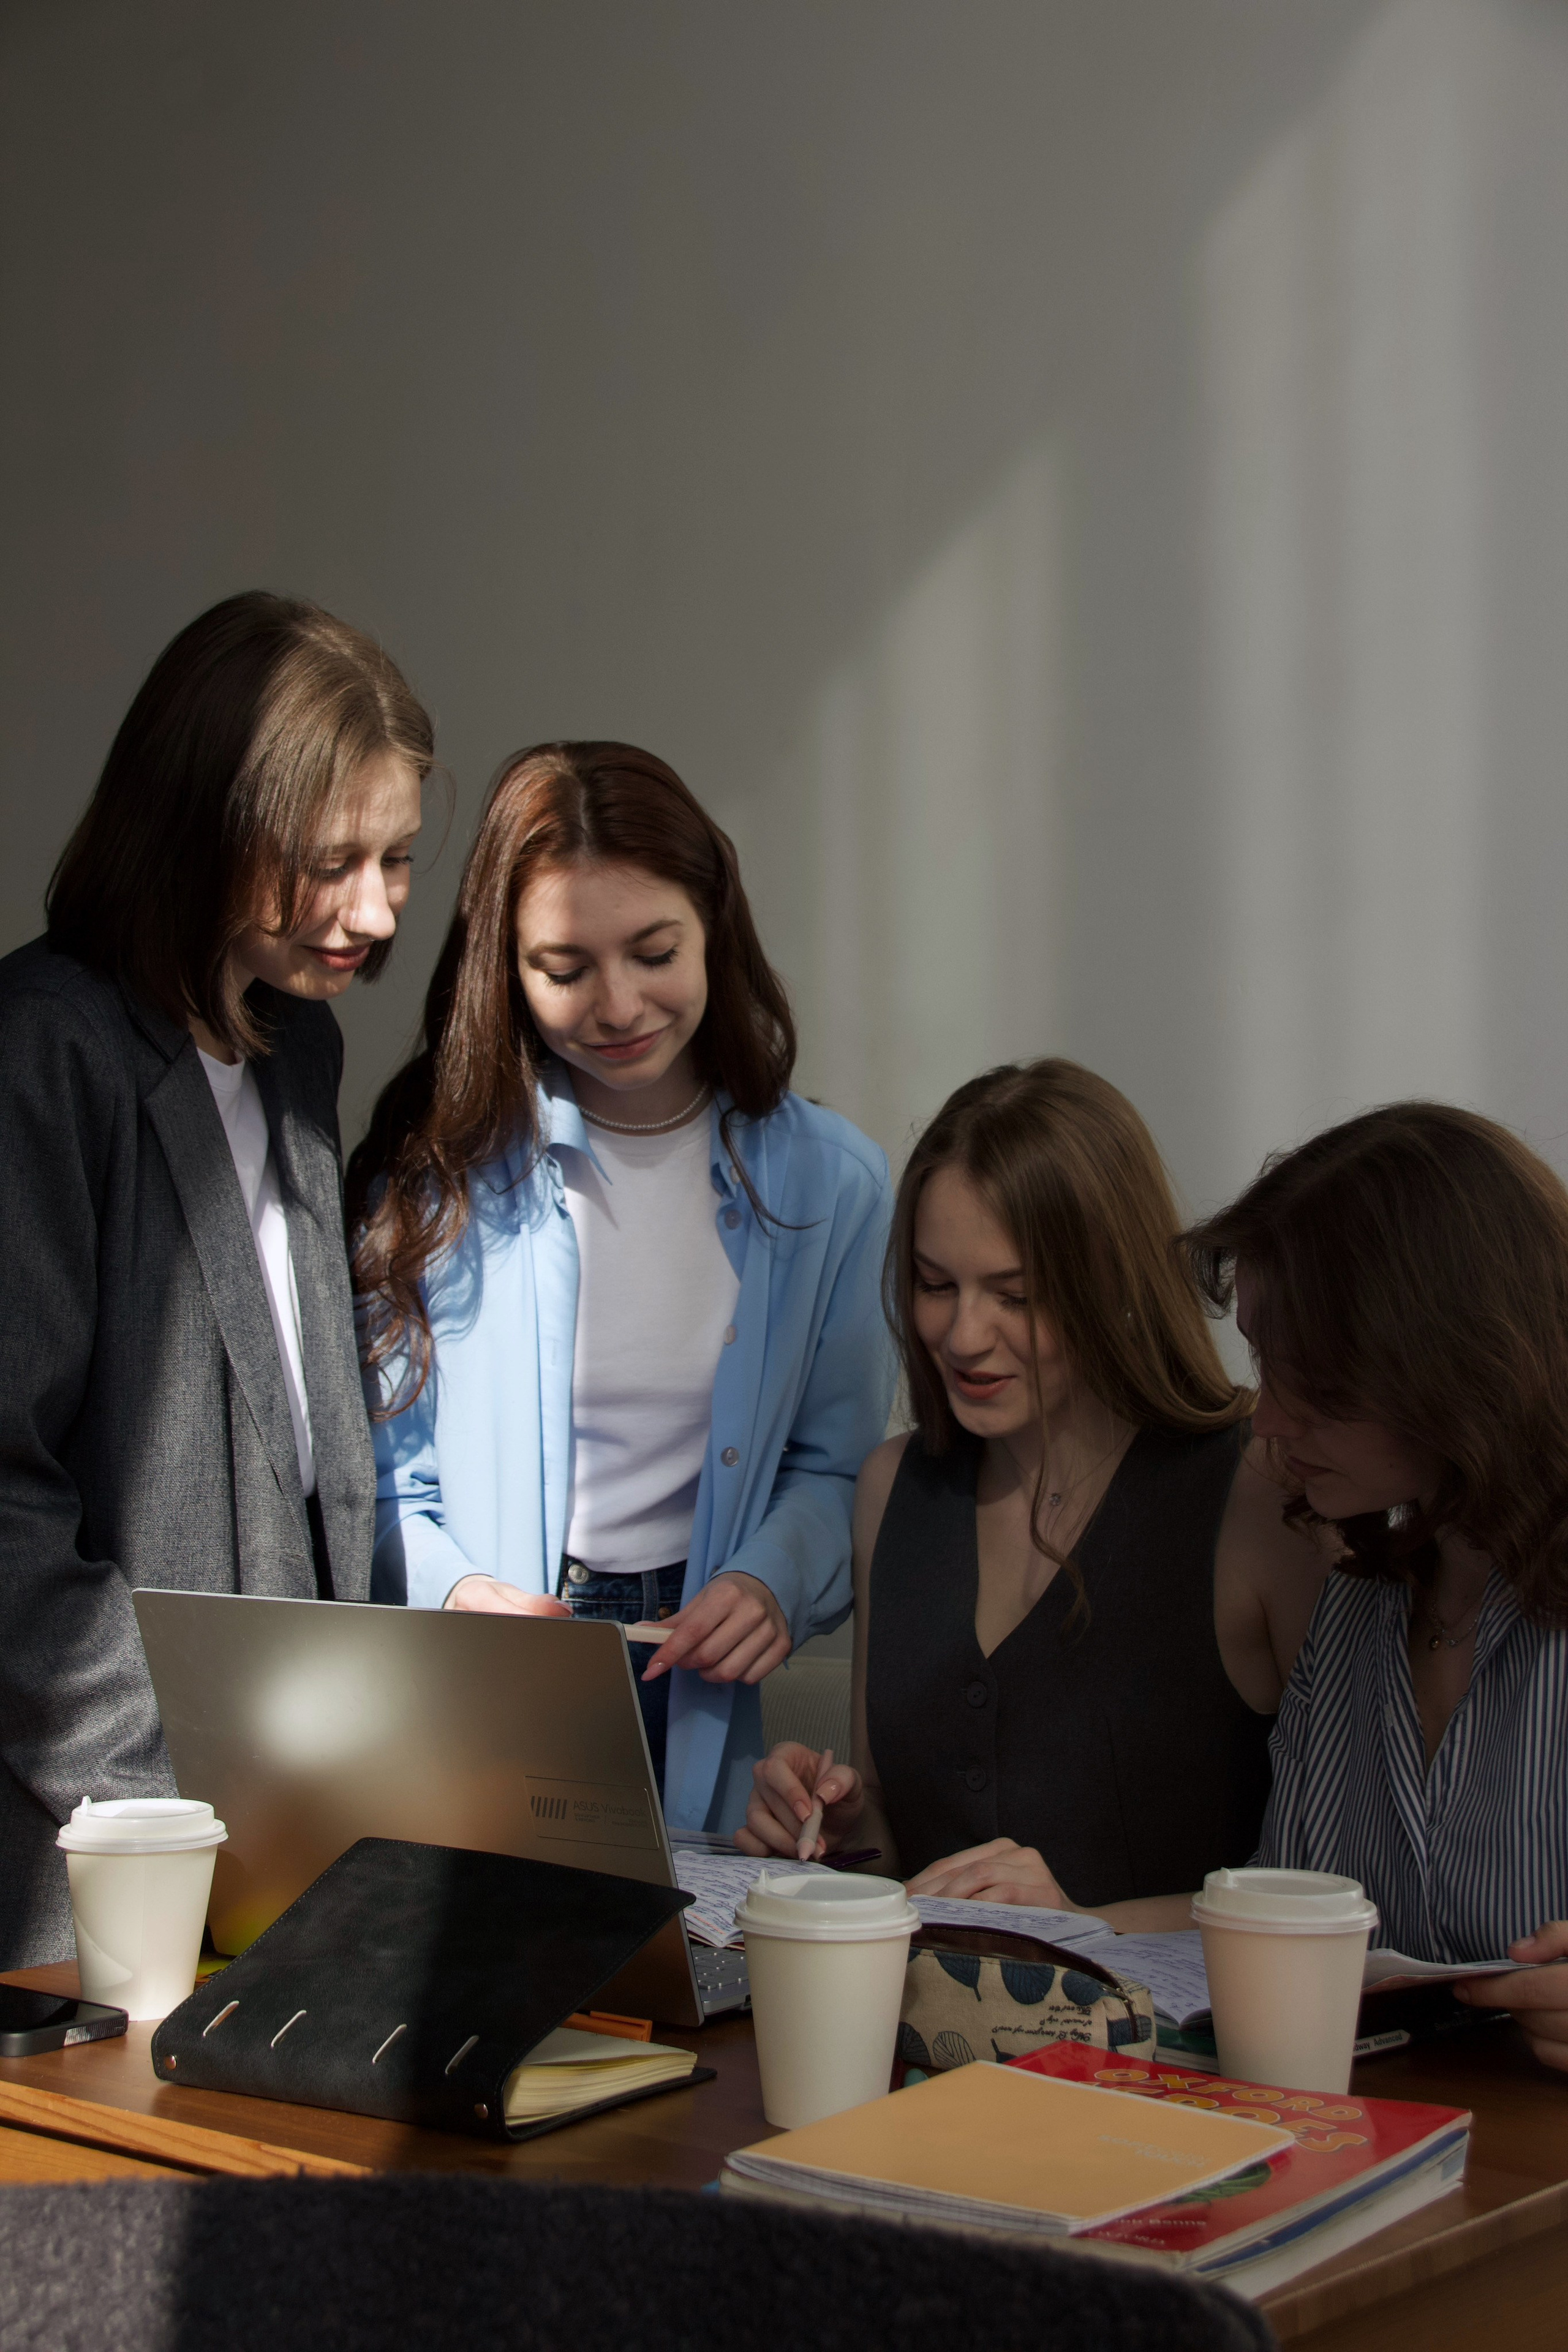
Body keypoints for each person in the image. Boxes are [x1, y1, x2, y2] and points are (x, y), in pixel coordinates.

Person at [0, 590, 433, 1968]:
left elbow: (302, 1441)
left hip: (280, 1828)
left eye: (401, 859)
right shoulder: (45, 1051)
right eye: (331, 863)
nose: (373, 911)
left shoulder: (297, 1044)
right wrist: (147, 1800)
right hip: (94, 1851)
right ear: (203, 832)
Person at [350, 740, 894, 1833]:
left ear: (716, 930)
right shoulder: (435, 1179)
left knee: (693, 1980)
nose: (618, 1005)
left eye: (655, 952)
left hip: (698, 1656)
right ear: (503, 967)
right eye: (566, 969)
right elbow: (373, 1482)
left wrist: (772, 1581)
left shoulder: (832, 1182)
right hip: (493, 1670)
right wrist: (456, 1594)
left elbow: (839, 1468)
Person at [739, 1059, 1325, 1921]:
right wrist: (838, 1827)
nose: (964, 1336)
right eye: (936, 1286)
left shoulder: (1259, 1486)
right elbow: (894, 1854)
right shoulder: (891, 1490)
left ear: (1116, 1284)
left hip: (1182, 2049)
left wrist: (1089, 1926)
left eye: (1016, 1296)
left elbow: (1333, 1889)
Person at [1183, 1102, 1568, 2071]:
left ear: (1443, 1359)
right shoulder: (1358, 1603)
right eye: (1263, 1362)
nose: (1265, 1419)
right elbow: (1284, 1913)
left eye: (1305, 1374)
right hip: (1394, 2171)